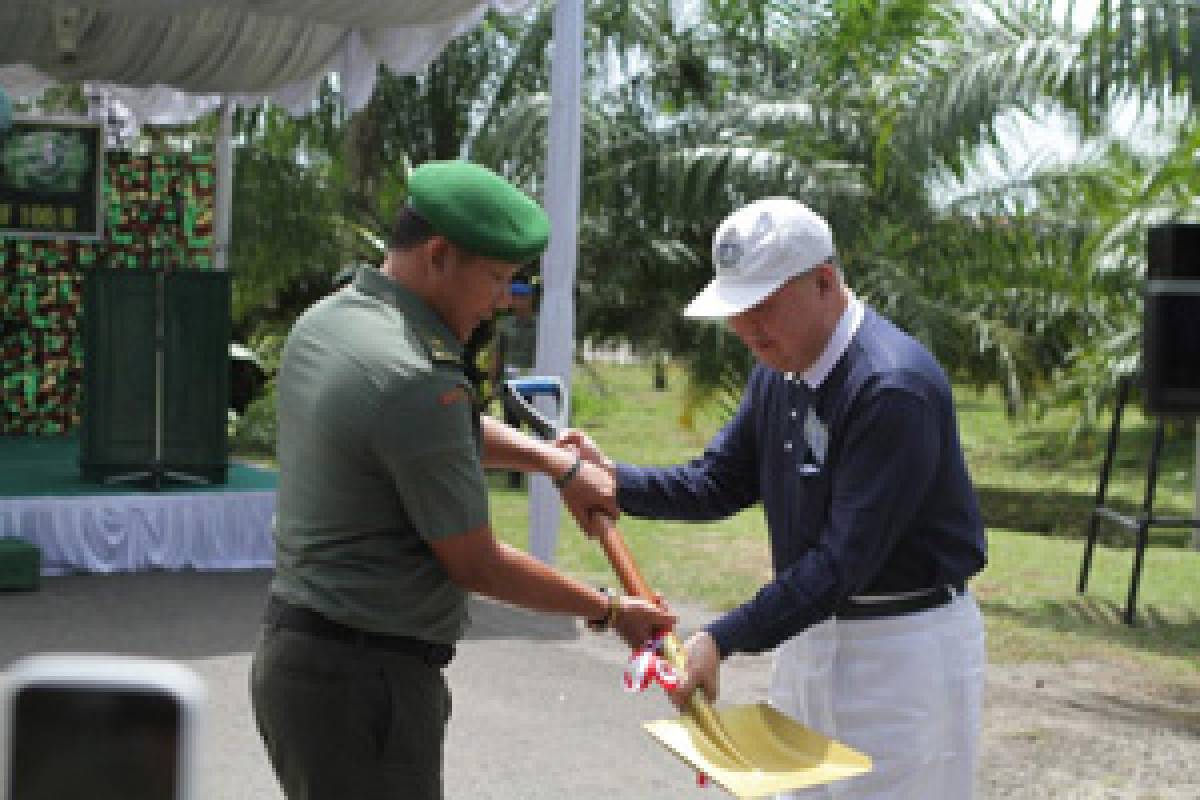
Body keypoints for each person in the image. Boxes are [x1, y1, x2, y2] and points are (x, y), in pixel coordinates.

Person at [250, 160, 675, 800]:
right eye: (497, 278)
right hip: (366, 684)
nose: (503, 299)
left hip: (306, 659)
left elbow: (433, 437)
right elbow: (475, 563)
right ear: (440, 254)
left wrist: (558, 464)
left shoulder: (334, 322)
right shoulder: (419, 377)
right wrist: (609, 609)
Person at [560, 197, 987, 799]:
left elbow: (842, 562)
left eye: (763, 305)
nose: (747, 329)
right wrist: (613, 482)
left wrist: (720, 638)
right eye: (737, 309)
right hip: (811, 638)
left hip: (903, 651)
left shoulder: (891, 388)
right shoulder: (780, 369)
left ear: (824, 282)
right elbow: (718, 481)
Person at [491, 279, 539, 487]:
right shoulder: (504, 325)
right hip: (511, 381)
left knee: (536, 425)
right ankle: (514, 477)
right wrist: (494, 382)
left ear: (530, 299)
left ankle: (539, 470)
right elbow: (498, 356)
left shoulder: (540, 325)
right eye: (515, 297)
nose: (518, 302)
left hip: (535, 380)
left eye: (522, 297)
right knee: (512, 427)